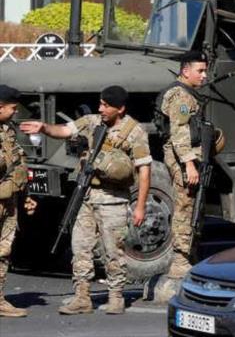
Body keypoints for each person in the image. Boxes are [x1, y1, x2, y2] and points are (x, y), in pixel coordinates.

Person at [20, 86, 151, 315]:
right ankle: (82, 297)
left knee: (114, 250)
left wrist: (140, 206)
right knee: (80, 247)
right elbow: (64, 131)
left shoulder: (135, 132)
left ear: (120, 109)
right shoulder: (92, 122)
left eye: (106, 105)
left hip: (114, 199)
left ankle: (116, 296)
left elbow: (144, 170)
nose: (101, 109)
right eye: (100, 103)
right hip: (86, 195)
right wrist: (44, 128)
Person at [157, 50, 208, 280]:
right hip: (183, 159)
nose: (204, 75)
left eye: (205, 70)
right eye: (200, 71)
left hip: (190, 157)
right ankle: (180, 260)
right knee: (185, 207)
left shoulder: (188, 94)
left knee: (193, 206)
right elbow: (179, 131)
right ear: (186, 71)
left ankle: (190, 254)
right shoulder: (181, 97)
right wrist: (189, 163)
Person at [0, 86, 29, 317]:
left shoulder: (7, 130)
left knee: (3, 250)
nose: (14, 113)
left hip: (8, 201)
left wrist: (26, 196)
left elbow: (17, 163)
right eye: (12, 108)